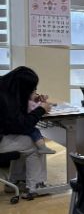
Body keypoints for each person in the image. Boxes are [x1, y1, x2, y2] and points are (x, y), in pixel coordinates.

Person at [0, 66, 53, 199]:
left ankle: (15, 181)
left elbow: (13, 119)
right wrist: (41, 109)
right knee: (35, 144)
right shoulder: (6, 98)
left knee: (23, 139)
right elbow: (21, 125)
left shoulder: (5, 87)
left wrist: (30, 100)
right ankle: (36, 186)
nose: (33, 91)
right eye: (31, 89)